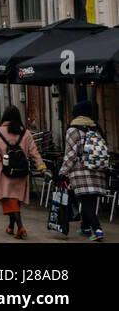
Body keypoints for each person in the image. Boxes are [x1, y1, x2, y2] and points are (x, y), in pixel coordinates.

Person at [0, 105, 46, 240]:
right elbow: (33, 151)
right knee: (15, 198)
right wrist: (41, 166)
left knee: (8, 197)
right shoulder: (25, 132)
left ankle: (21, 227)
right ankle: (11, 226)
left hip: (4, 170)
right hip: (21, 170)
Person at [58, 99, 108, 241]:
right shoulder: (96, 128)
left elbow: (70, 155)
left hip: (80, 171)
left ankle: (97, 229)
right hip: (97, 169)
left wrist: (63, 172)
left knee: (84, 201)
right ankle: (85, 227)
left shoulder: (73, 130)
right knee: (90, 200)